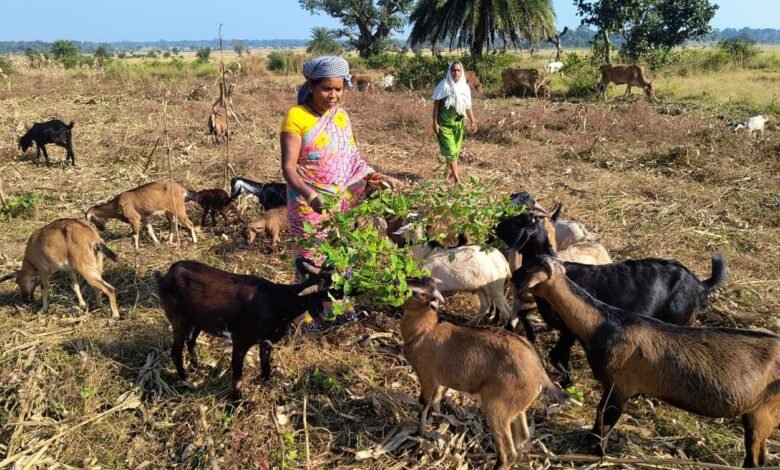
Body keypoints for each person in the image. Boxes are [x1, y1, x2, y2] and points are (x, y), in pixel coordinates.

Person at [280, 56, 399, 325]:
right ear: (311, 86)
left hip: (342, 204)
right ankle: (305, 321)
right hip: (308, 205)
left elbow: (353, 158)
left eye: (339, 88)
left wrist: (377, 176)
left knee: (341, 260)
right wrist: (311, 195)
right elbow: (288, 168)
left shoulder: (342, 117)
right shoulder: (296, 117)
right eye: (326, 88)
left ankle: (338, 313)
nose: (333, 95)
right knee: (311, 263)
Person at [431, 61, 478, 183]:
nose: (455, 72)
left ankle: (446, 177)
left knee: (454, 153)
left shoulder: (465, 88)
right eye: (453, 70)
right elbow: (436, 104)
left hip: (458, 124)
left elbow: (468, 106)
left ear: (461, 72)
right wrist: (434, 122)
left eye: (458, 70)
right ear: (449, 71)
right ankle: (457, 178)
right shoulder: (443, 85)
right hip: (444, 125)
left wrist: (472, 121)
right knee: (450, 151)